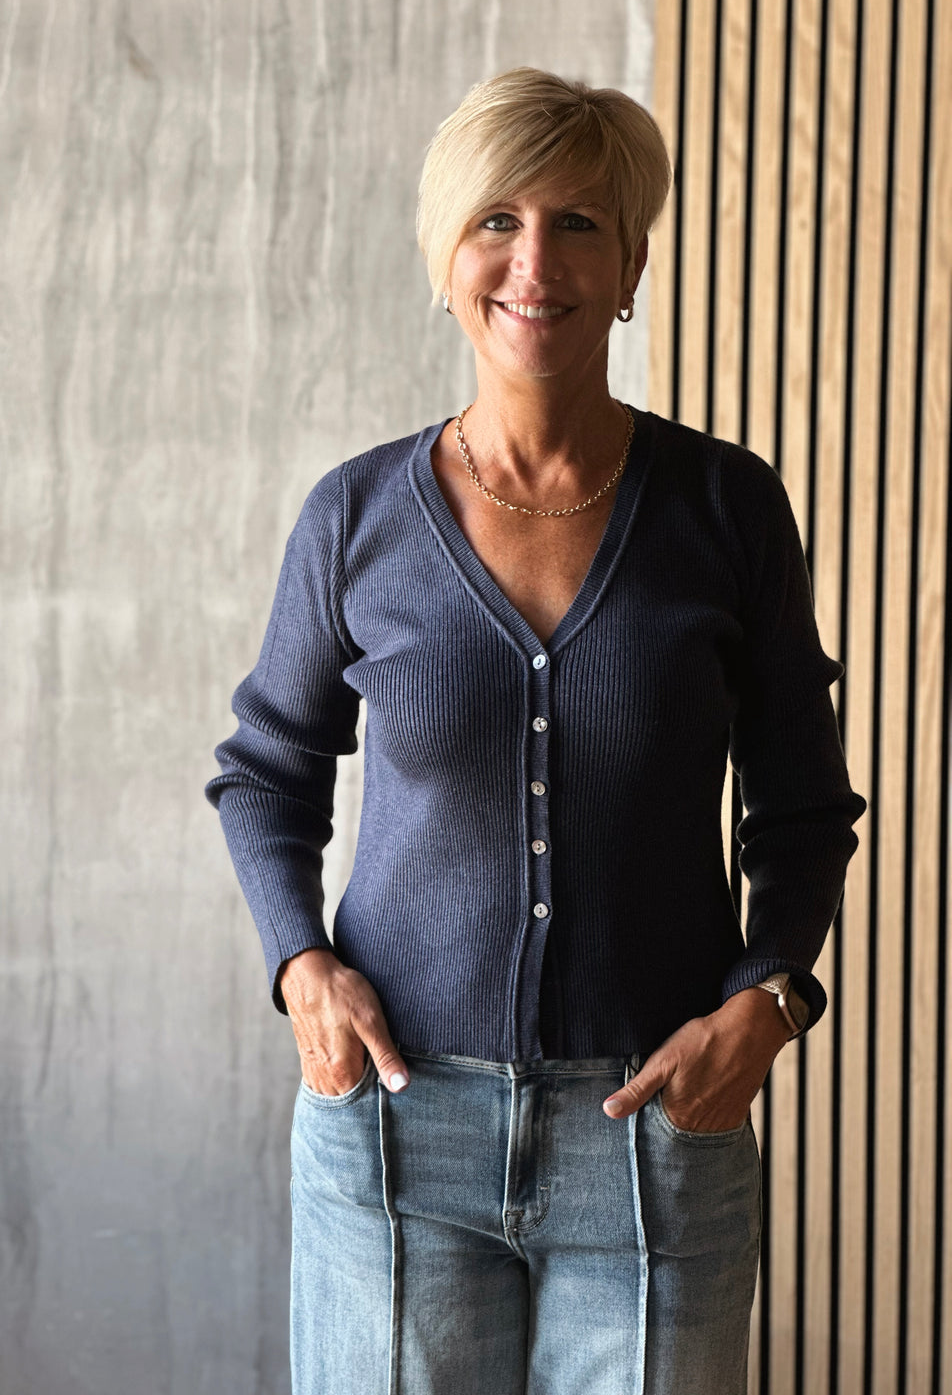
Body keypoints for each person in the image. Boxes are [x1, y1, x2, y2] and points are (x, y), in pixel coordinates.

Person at [206, 67, 865, 1395]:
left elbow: (801, 809)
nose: (533, 259)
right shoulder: (356, 518)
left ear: (630, 263)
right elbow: (266, 774)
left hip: (656, 1128)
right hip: (397, 1128)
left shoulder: (728, 509)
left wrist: (771, 1000)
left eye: (578, 223)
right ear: (445, 259)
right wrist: (300, 969)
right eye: (495, 220)